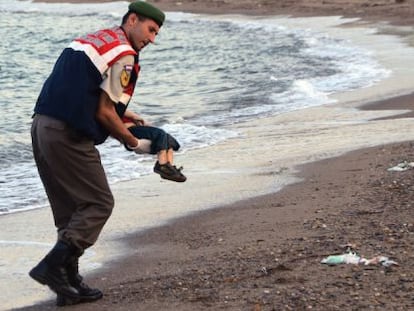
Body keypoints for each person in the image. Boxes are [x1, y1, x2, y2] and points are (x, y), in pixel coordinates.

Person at [29, 1, 167, 306]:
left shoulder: (97, 38)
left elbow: (83, 89)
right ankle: (51, 267)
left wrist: (125, 115)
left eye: (157, 33)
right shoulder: (126, 55)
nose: (152, 39)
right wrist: (134, 143)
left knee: (69, 212)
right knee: (98, 202)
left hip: (41, 127)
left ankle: (68, 284)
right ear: (133, 19)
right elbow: (105, 114)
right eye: (150, 29)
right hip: (67, 135)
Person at [122, 111, 187, 182]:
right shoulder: (115, 106)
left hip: (136, 127)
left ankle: (169, 170)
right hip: (129, 130)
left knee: (170, 141)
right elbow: (120, 109)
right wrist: (136, 116)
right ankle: (162, 165)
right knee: (160, 134)